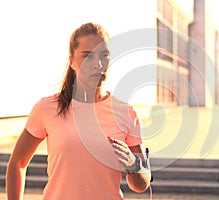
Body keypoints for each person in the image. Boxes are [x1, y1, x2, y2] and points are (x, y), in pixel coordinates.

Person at [6, 22, 151, 200]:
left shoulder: (126, 112)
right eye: (87, 56)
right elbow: (17, 163)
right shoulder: (47, 108)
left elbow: (141, 184)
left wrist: (133, 164)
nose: (98, 64)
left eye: (104, 55)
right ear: (72, 61)